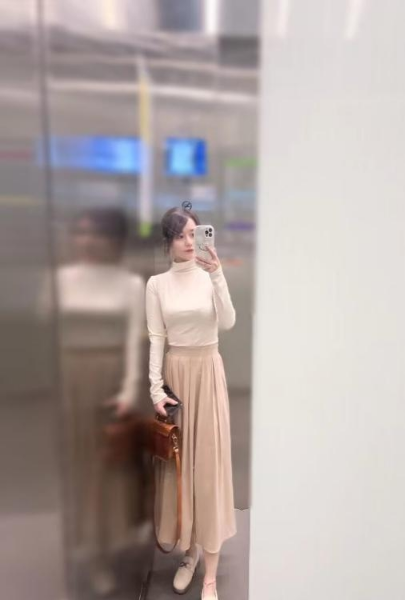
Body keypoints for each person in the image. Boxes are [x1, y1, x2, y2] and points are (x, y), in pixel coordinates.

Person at [145, 204, 236, 600]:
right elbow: (156, 338)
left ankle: (210, 576)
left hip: (208, 374)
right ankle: (190, 553)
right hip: (177, 377)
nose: (188, 241)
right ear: (168, 240)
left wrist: (217, 274)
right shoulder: (157, 284)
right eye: (181, 235)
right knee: (181, 471)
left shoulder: (209, 276)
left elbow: (228, 322)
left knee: (209, 469)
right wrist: (155, 389)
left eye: (194, 234)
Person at [54, 208, 145, 596]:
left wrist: (129, 389)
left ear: (116, 240)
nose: (87, 241)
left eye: (98, 234)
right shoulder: (59, 280)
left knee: (109, 467)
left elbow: (134, 341)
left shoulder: (130, 284)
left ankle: (105, 549)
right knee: (77, 463)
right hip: (68, 380)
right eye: (80, 232)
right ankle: (86, 548)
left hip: (109, 380)